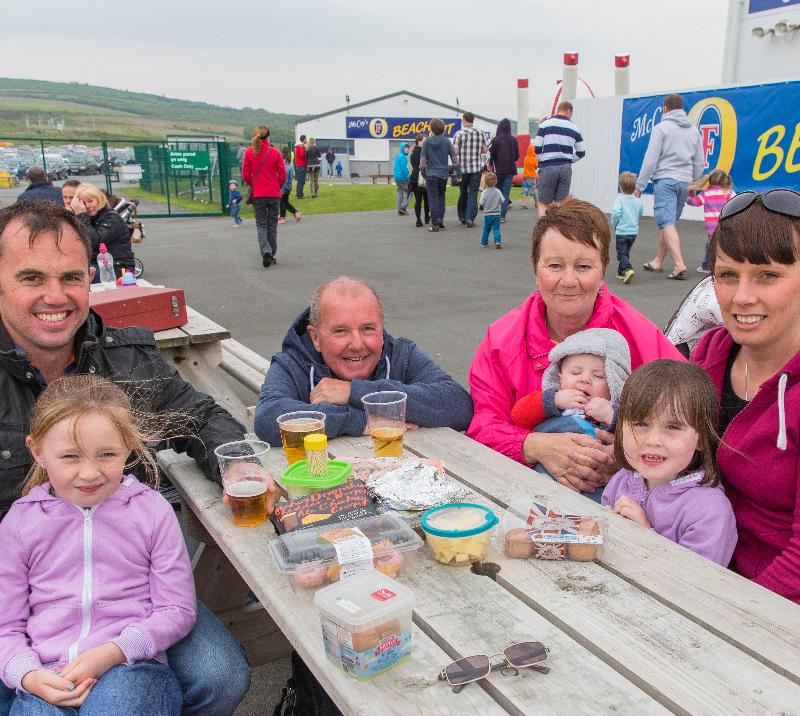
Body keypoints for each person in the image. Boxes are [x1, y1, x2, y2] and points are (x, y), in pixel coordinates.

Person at [0, 200, 259, 715]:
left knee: (221, 675)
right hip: (21, 590)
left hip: (127, 586)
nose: (56, 297)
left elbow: (202, 417)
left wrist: (240, 466)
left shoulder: (125, 355)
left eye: (71, 277)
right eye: (32, 277)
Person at [0, 376, 196, 715]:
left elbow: (176, 609)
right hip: (46, 671)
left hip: (130, 666)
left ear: (129, 446)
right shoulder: (20, 523)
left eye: (107, 455)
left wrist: (115, 651)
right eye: (71, 457)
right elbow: (5, 624)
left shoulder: (151, 511)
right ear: (37, 452)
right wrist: (27, 674)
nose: (90, 473)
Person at [467, 197, 683, 497]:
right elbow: (482, 425)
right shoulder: (500, 341)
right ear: (536, 267)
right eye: (555, 266)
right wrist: (533, 446)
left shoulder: (641, 337)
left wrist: (629, 460)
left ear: (605, 267)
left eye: (583, 266)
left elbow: (687, 420)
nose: (568, 280)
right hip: (523, 494)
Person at [691, 189, 800, 603]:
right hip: (700, 566)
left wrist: (730, 623)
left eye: (768, 275)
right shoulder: (710, 353)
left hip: (772, 605)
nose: (741, 297)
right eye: (727, 274)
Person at [254, 276, 474, 444]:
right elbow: (268, 418)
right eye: (340, 331)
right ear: (315, 338)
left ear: (381, 327)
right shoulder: (293, 363)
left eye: (368, 329)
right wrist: (360, 420)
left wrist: (354, 392)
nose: (357, 344)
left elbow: (459, 405)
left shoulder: (401, 354)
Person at [603, 360, 737, 566]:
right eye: (641, 424)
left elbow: (698, 583)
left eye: (673, 426)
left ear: (701, 437)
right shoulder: (622, 480)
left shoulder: (709, 511)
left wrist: (645, 536)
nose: (653, 440)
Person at [510, 328, 631, 502]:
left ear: (614, 384)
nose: (585, 379)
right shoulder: (553, 400)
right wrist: (554, 400)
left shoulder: (615, 410)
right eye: (575, 373)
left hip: (595, 488)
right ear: (560, 378)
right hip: (546, 478)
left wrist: (612, 416)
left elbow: (638, 433)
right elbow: (518, 416)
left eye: (598, 376)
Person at [636, 93, 704, 280]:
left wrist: (640, 185)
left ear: (665, 108)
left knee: (665, 222)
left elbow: (650, 159)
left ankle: (679, 264)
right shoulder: (694, 131)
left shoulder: (661, 128)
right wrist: (695, 183)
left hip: (665, 179)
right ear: (682, 108)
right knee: (669, 223)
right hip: (684, 181)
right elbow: (700, 162)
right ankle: (658, 261)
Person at [68, 183, 134, 280]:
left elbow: (95, 242)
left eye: (90, 201)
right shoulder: (86, 219)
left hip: (117, 268)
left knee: (77, 279)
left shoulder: (112, 218)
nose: (88, 206)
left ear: (99, 200)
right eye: (83, 203)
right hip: (96, 265)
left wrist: (81, 215)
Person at [241, 125, 286, 268]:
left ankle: (265, 251)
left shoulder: (249, 152)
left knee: (261, 224)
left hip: (259, 194)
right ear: (268, 137)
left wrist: (254, 184)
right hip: (274, 194)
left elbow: (245, 175)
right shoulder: (275, 153)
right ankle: (271, 253)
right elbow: (283, 175)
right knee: (272, 224)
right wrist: (276, 186)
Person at [533, 101, 586, 215]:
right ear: (568, 111)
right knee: (560, 205)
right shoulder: (574, 127)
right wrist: (568, 160)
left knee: (543, 203)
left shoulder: (545, 125)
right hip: (565, 168)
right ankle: (558, 230)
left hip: (548, 166)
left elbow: (537, 148)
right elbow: (581, 152)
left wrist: (542, 159)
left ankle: (544, 230)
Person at [686, 168, 735, 274]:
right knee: (726, 246)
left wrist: (691, 194)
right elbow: (736, 204)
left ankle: (707, 266)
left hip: (712, 228)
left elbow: (693, 202)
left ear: (710, 181)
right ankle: (728, 266)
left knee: (710, 247)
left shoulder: (706, 193)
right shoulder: (728, 192)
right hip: (726, 226)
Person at [420, 119, 459, 232]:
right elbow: (454, 158)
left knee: (433, 199)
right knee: (441, 197)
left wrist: (424, 173)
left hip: (431, 174)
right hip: (443, 174)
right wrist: (458, 172)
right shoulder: (447, 141)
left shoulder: (427, 142)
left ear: (431, 129)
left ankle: (435, 224)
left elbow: (423, 160)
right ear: (443, 129)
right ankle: (440, 219)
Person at [453, 111, 488, 228]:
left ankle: (462, 216)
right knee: (473, 193)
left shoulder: (459, 134)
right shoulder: (480, 132)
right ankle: (470, 218)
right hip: (476, 168)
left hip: (463, 168)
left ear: (464, 120)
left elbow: (455, 152)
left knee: (463, 192)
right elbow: (485, 150)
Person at [612, 171, 644, 284]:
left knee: (621, 253)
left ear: (620, 186)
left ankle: (628, 269)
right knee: (625, 252)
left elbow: (616, 213)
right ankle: (621, 272)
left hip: (621, 231)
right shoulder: (637, 201)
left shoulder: (619, 200)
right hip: (633, 232)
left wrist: (614, 223)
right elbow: (642, 212)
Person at [488, 118, 519, 222]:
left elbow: (492, 155)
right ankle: (502, 216)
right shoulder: (514, 139)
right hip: (510, 170)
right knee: (506, 193)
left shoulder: (496, 140)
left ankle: (495, 214)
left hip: (499, 170)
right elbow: (516, 156)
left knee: (498, 192)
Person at [408, 134, 429, 228]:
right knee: (427, 199)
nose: (425, 142)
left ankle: (418, 219)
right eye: (424, 140)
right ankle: (426, 218)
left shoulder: (413, 153)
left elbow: (413, 165)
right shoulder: (426, 152)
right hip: (424, 177)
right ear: (418, 141)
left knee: (418, 200)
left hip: (415, 178)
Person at [479, 172, 503, 249]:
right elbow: (503, 200)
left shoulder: (484, 192)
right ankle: (497, 241)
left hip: (487, 214)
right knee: (496, 229)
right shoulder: (498, 191)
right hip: (497, 214)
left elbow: (481, 203)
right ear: (496, 181)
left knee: (486, 229)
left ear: (485, 182)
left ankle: (484, 243)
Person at [278, 146, 301, 225]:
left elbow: (283, 179)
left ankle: (282, 217)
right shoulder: (290, 166)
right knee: (285, 202)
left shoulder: (284, 167)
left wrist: (281, 189)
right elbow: (291, 178)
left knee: (282, 203)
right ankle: (296, 213)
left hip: (283, 188)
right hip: (288, 187)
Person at [393, 142, 411, 216]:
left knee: (400, 194)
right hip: (403, 178)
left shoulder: (398, 156)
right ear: (402, 148)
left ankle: (399, 210)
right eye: (405, 148)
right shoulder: (403, 157)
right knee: (410, 192)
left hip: (397, 178)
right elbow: (404, 169)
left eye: (408, 148)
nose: (407, 149)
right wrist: (407, 177)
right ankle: (402, 208)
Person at [521, 145, 538, 210]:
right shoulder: (534, 159)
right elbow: (536, 167)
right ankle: (536, 203)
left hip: (525, 176)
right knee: (533, 190)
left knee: (524, 190)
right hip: (532, 177)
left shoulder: (525, 158)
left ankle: (523, 203)